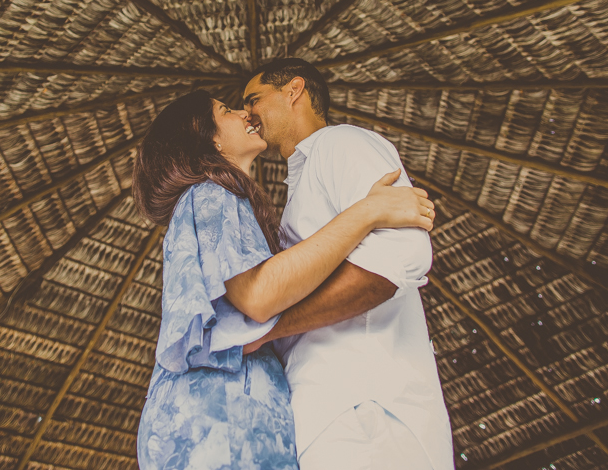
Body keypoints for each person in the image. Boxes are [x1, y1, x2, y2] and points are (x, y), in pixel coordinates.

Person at [132, 89, 437, 470]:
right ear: (210, 138)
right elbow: (258, 296)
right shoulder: (209, 195)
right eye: (227, 110)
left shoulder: (229, 204)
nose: (244, 113)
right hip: (217, 426)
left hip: (236, 425)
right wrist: (368, 211)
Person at [242, 58, 455, 470]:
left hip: (369, 412)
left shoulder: (341, 144)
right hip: (331, 416)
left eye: (254, 99)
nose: (247, 113)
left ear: (294, 90)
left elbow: (398, 258)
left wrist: (272, 328)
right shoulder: (302, 184)